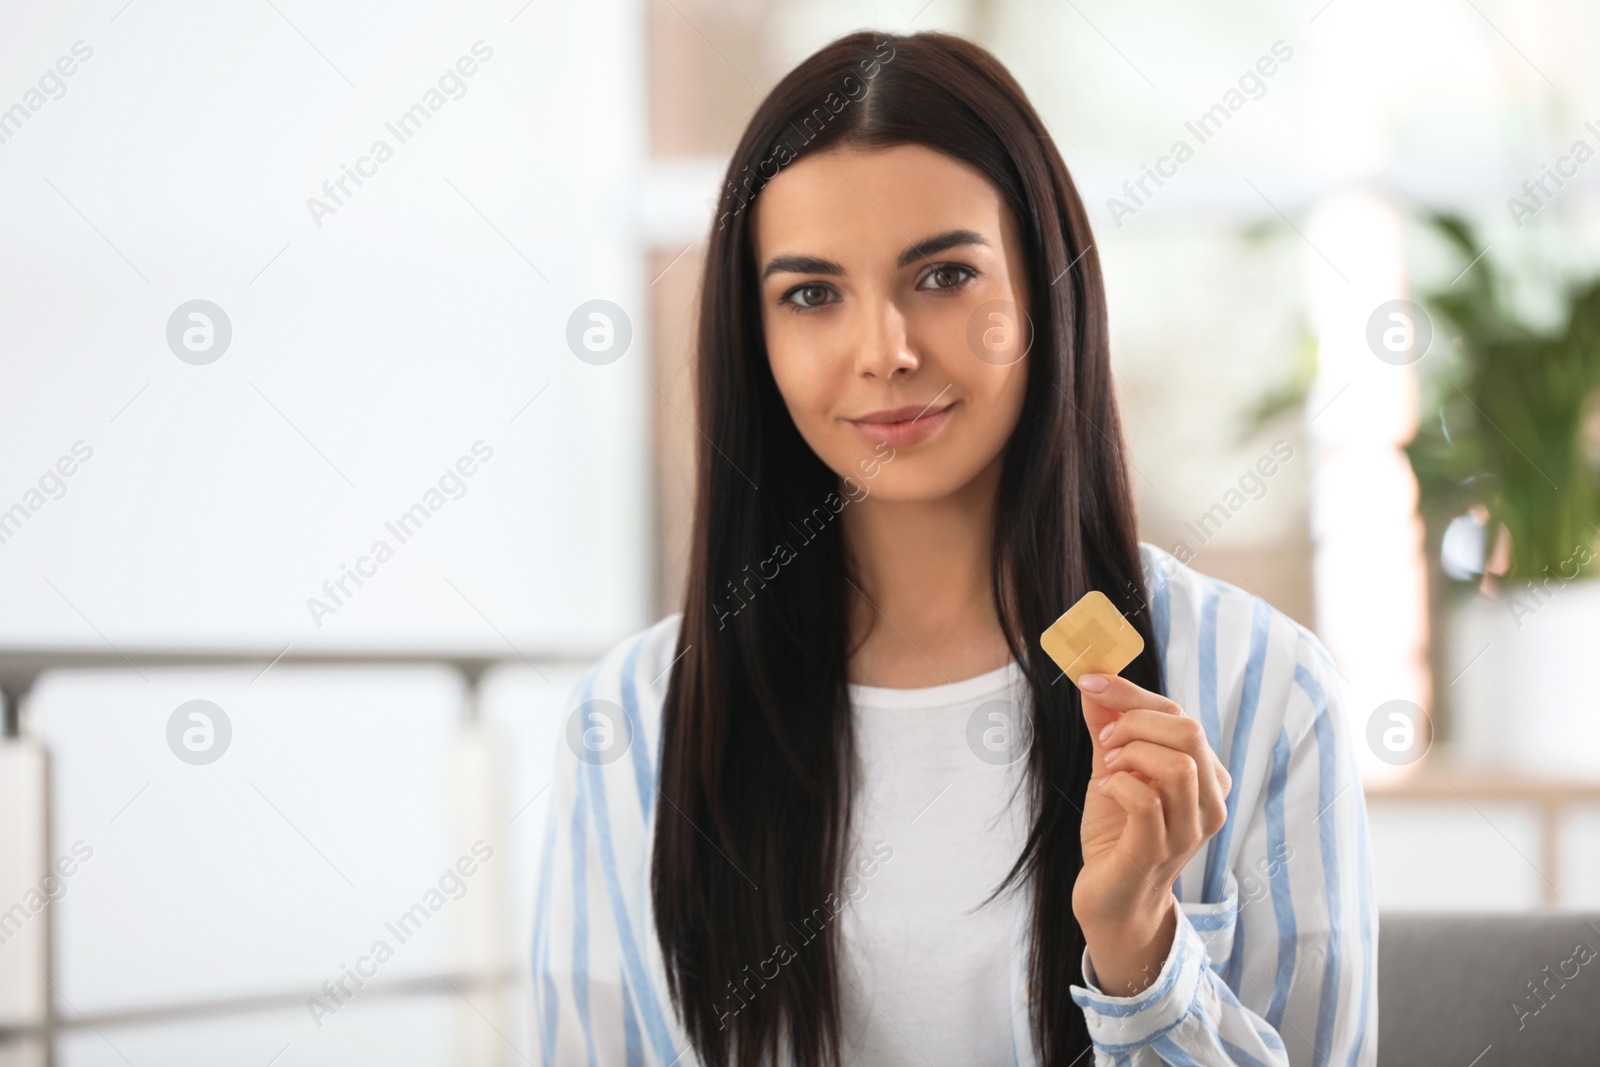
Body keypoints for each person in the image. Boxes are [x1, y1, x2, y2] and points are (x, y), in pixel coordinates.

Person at [532, 30, 1377, 1067]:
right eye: (811, 294)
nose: (884, 348)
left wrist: (1141, 959)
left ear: (1041, 289)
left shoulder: (1263, 691)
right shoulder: (633, 721)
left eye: (942, 276)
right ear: (752, 338)